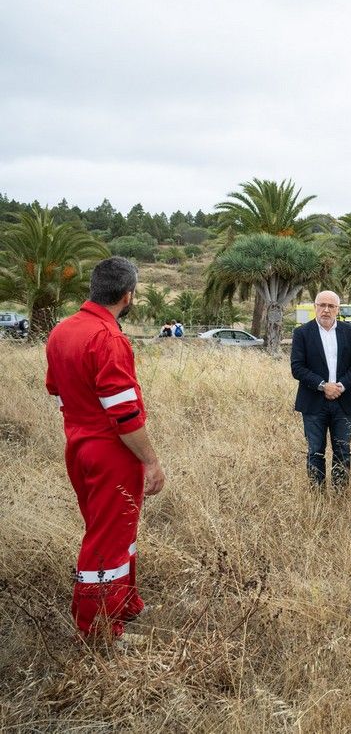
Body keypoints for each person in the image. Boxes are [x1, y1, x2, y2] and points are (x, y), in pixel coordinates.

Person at [45, 256, 165, 642]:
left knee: (114, 530)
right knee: (107, 539)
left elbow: (56, 389)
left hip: (78, 446)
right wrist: (151, 461)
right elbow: (124, 413)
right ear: (128, 295)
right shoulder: (108, 337)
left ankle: (125, 603)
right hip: (111, 452)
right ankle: (97, 626)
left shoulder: (63, 330)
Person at [290, 290, 351, 490]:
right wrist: (324, 386)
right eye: (322, 305)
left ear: (337, 310)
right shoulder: (302, 333)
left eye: (331, 306)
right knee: (315, 451)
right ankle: (318, 497)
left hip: (343, 400)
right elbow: (297, 367)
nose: (326, 310)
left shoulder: (350, 332)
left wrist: (341, 385)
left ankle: (340, 495)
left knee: (343, 451)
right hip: (313, 403)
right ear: (315, 307)